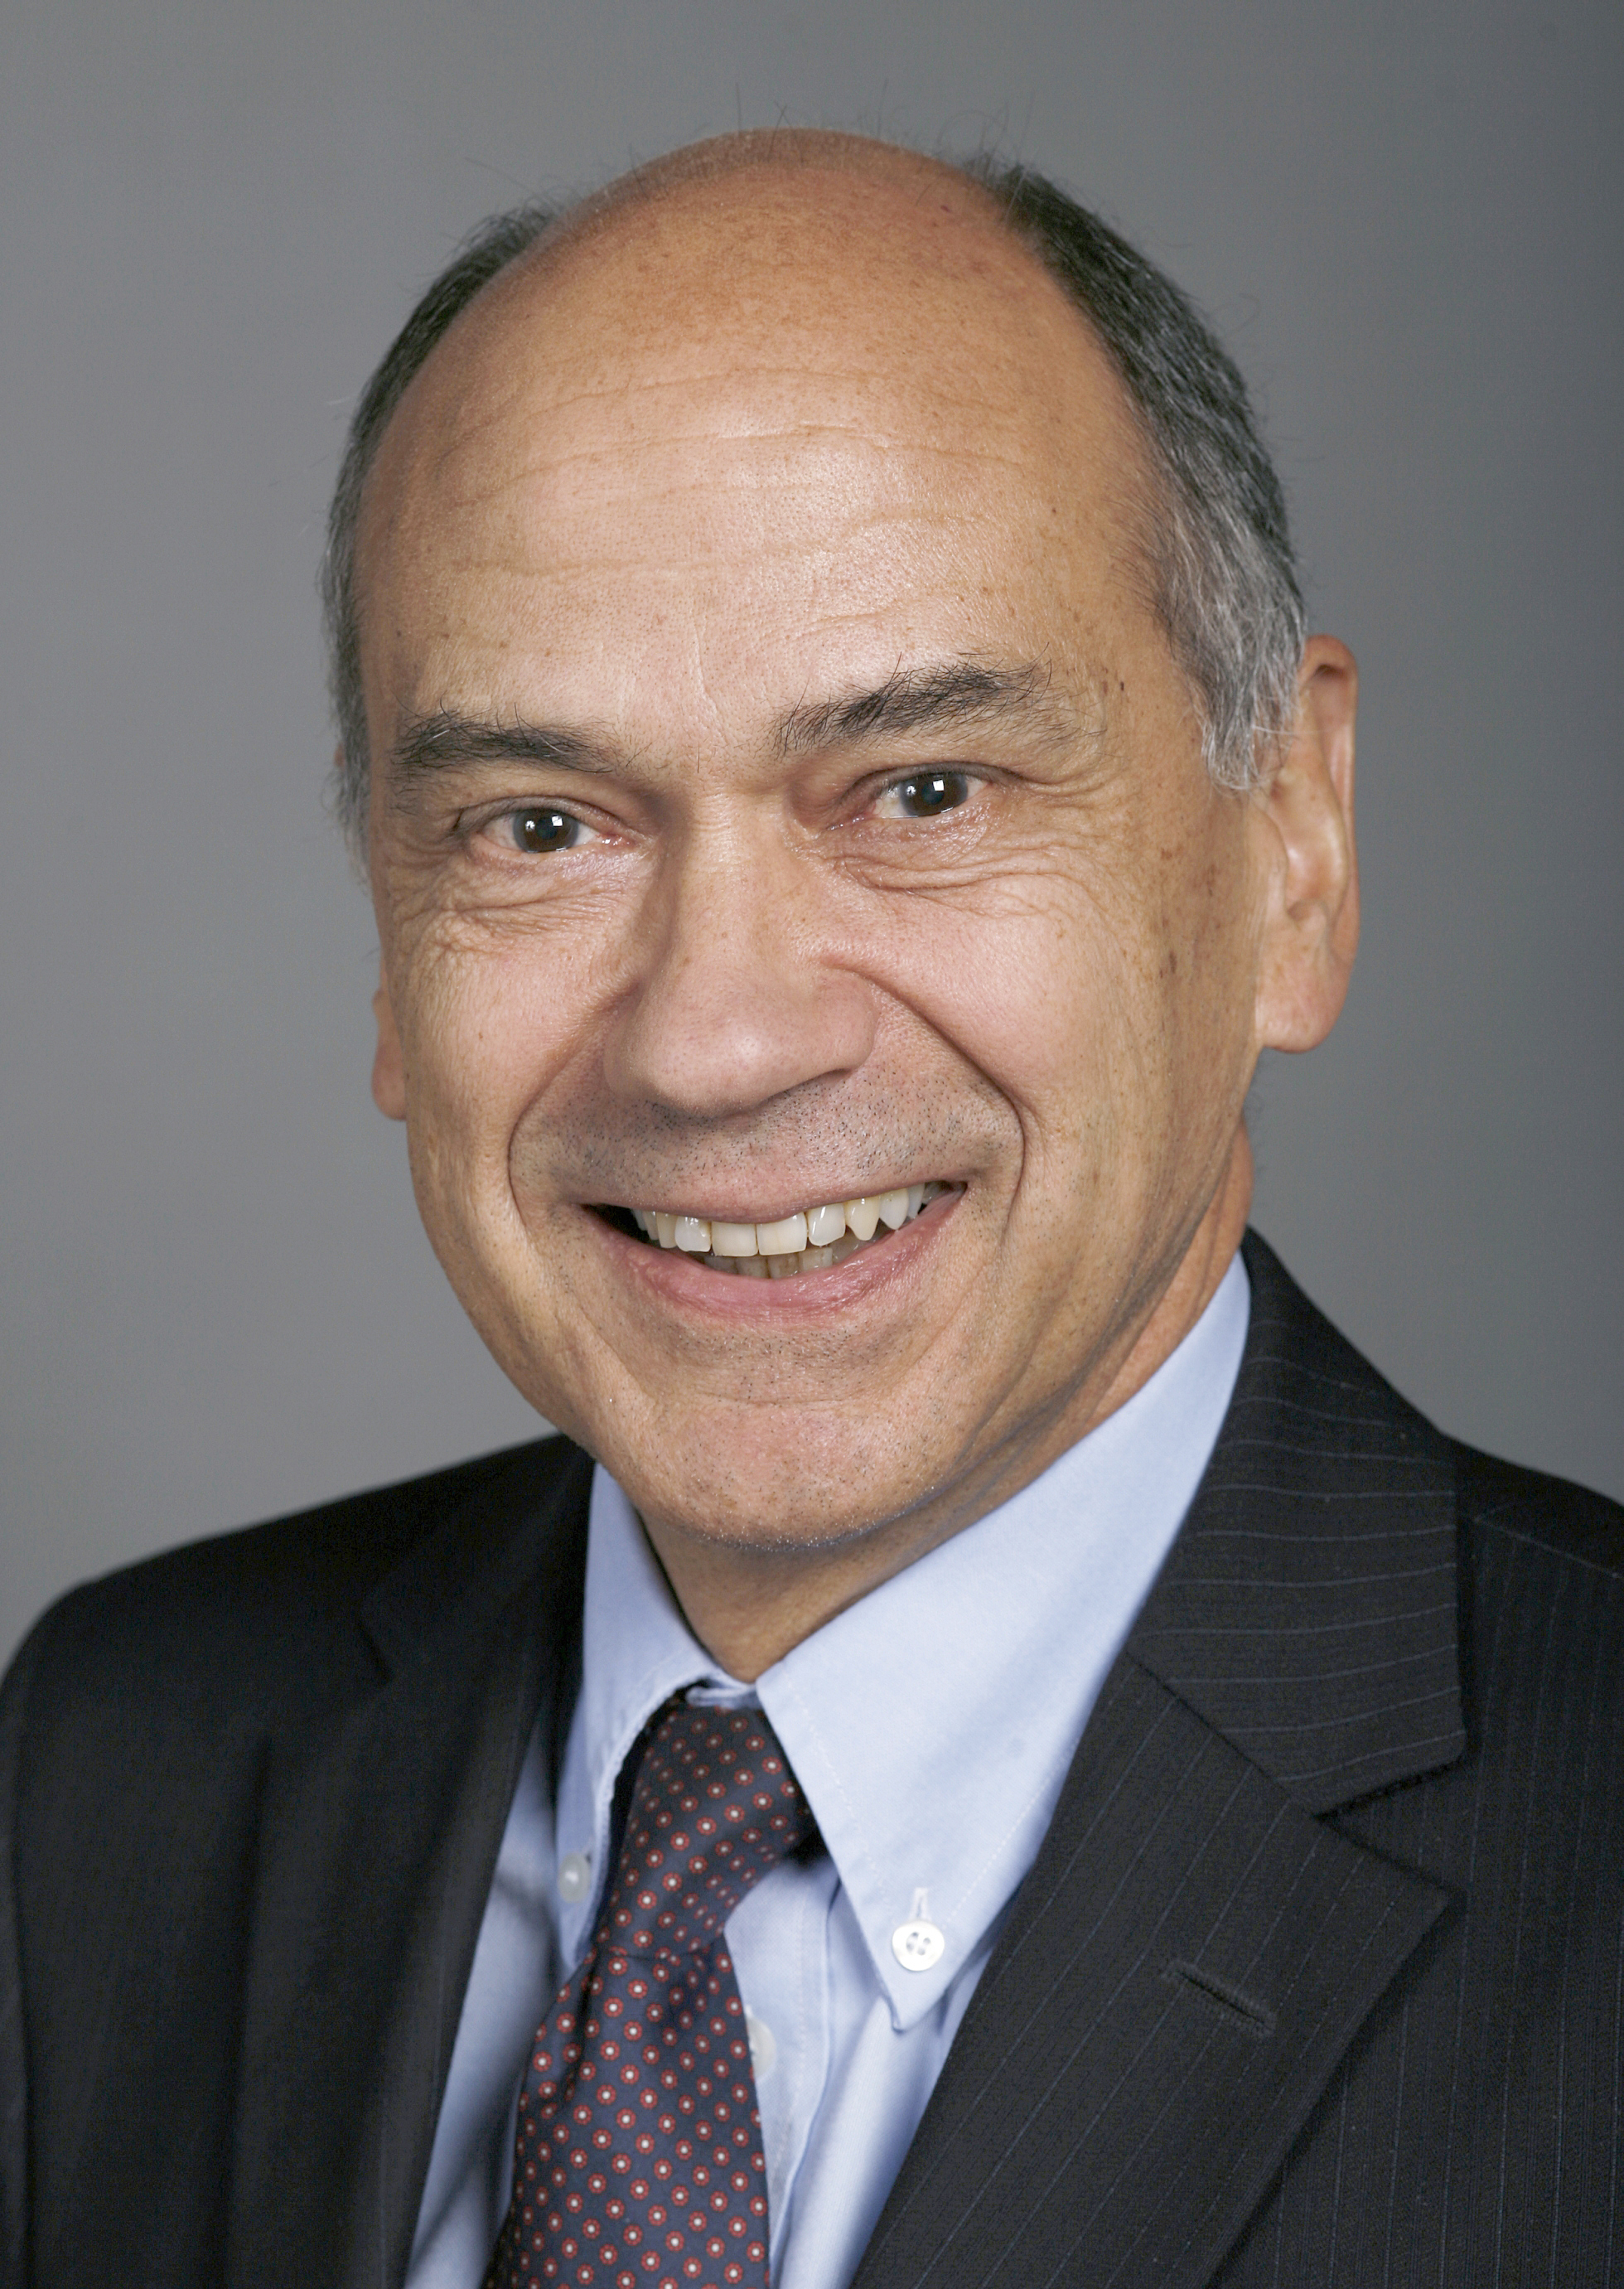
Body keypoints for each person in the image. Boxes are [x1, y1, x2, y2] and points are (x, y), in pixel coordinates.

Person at [2, 130, 1619, 2289]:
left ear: (1292, 852)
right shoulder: (117, 1767)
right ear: (389, 951)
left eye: (925, 790)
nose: (716, 1040)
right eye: (540, 826)